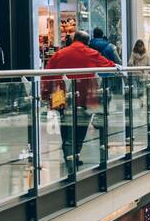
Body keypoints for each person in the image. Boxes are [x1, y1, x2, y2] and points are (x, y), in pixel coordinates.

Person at [42, 30, 115, 167]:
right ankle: (76, 154)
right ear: (87, 41)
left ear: (74, 39)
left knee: (65, 125)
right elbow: (109, 65)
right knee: (81, 126)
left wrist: (45, 94)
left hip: (61, 96)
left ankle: (68, 156)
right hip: (85, 96)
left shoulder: (59, 54)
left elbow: (47, 74)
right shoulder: (90, 53)